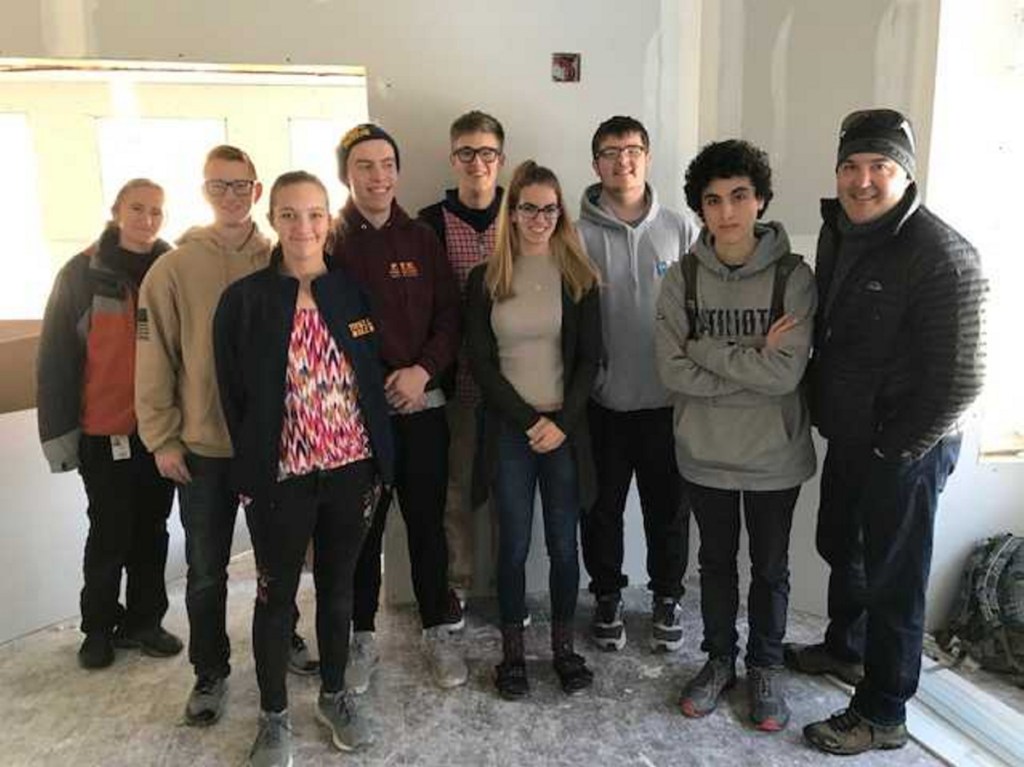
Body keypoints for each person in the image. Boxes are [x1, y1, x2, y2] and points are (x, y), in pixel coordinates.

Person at [784, 109, 986, 755]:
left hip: (907, 447)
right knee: (843, 544)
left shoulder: (943, 254)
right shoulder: (839, 232)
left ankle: (883, 710)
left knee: (896, 578)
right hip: (851, 432)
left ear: (905, 173)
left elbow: (961, 379)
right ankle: (848, 646)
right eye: (851, 165)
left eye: (879, 166)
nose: (862, 179)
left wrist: (892, 450)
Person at [214, 171, 395, 766]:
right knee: (275, 596)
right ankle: (273, 716)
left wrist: (376, 462)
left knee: (339, 589)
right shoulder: (245, 300)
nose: (303, 227)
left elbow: (369, 374)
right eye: (289, 214)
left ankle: (335, 695)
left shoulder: (350, 291)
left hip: (350, 470)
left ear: (328, 220)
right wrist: (255, 468)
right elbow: (234, 394)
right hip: (282, 477)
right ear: (273, 219)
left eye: (315, 214)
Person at [136, 145, 314, 727]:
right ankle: (209, 670)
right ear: (205, 191)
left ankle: (283, 636)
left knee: (279, 562)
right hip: (204, 448)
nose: (233, 196)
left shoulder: (285, 259)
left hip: (275, 445)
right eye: (220, 186)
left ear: (258, 192)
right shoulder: (173, 269)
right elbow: (154, 358)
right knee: (207, 569)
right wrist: (162, 437)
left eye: (243, 186)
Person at [655, 139, 817, 731]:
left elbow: (786, 374)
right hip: (704, 453)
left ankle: (766, 666)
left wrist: (705, 351)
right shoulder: (682, 277)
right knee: (717, 564)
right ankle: (719, 660)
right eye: (713, 199)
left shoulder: (793, 277)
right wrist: (750, 359)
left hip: (775, 454)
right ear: (701, 208)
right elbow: (670, 369)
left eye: (739, 196)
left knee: (770, 568)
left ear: (761, 200)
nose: (727, 211)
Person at [329, 124, 467, 692]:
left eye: (387, 163)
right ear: (347, 174)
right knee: (362, 530)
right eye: (364, 165)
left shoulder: (421, 237)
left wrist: (421, 372)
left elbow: (449, 317)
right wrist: (375, 382)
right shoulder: (331, 240)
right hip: (359, 418)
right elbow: (326, 328)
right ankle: (360, 639)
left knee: (428, 525)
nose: (378, 175)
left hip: (423, 407)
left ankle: (438, 630)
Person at [466, 160, 601, 700]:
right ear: (513, 212)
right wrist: (530, 422)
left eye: (550, 208)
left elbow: (592, 361)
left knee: (564, 547)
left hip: (565, 433)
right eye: (529, 208)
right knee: (514, 546)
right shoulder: (487, 278)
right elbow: (480, 363)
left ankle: (565, 650)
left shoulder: (579, 276)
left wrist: (559, 424)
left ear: (560, 212)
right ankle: (514, 654)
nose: (540, 218)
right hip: (510, 432)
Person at [37, 178, 182, 669]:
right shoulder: (82, 274)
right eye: (137, 208)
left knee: (153, 530)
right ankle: (98, 628)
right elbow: (56, 358)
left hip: (159, 433)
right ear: (118, 210)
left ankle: (145, 621)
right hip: (104, 432)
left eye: (156, 211)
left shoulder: (171, 268)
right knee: (108, 533)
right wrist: (60, 438)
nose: (147, 219)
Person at [577, 115, 697, 653]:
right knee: (600, 509)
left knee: (667, 509)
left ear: (647, 157)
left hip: (667, 403)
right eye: (609, 151)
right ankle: (606, 596)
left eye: (632, 150)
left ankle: (667, 595)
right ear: (596, 162)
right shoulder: (574, 234)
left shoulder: (681, 229)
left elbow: (701, 310)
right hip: (601, 404)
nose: (621, 160)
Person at [419, 110, 506, 628]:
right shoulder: (428, 223)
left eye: (487, 153)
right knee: (454, 492)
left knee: (508, 492)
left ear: (501, 158)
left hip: (516, 385)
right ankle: (457, 586)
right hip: (454, 384)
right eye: (467, 153)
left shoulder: (523, 215)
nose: (477, 163)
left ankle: (506, 586)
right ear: (453, 158)